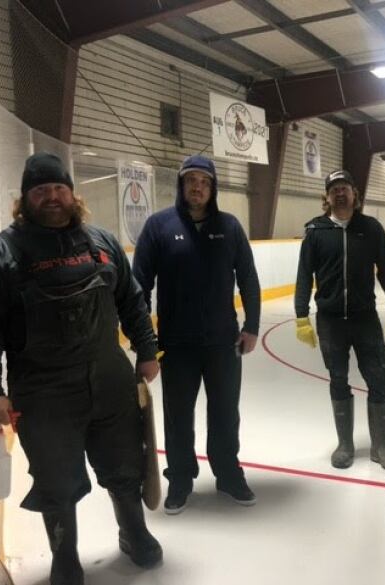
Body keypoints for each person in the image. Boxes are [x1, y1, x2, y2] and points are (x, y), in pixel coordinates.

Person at [0, 153, 163, 585]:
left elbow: (131, 300)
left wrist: (146, 350)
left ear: (73, 194)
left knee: (126, 463)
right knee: (56, 480)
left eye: (59, 188)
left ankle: (133, 532)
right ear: (25, 198)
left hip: (109, 377)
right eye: (41, 190)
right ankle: (65, 556)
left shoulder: (103, 242)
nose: (52, 197)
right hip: (42, 390)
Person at [133, 154, 261, 515]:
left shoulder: (230, 227)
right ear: (181, 184)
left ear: (213, 187)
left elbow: (248, 278)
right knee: (178, 415)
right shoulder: (159, 226)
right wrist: (145, 341)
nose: (198, 187)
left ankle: (228, 474)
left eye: (204, 182)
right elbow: (138, 285)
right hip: (176, 344)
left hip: (223, 342)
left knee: (225, 412)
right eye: (191, 180)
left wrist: (251, 326)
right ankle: (180, 478)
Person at [294, 169, 385, 473]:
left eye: (345, 187)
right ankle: (345, 445)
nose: (340, 193)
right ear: (327, 197)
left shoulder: (370, 229)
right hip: (331, 322)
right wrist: (301, 315)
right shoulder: (316, 231)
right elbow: (304, 275)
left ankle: (382, 447)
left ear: (355, 194)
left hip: (364, 319)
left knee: (378, 378)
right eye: (334, 189)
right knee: (338, 379)